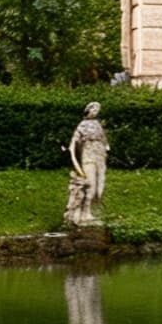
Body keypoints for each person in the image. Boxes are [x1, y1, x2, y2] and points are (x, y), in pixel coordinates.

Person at [65, 99, 110, 230]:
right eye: (94, 109)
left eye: (97, 110)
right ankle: (85, 212)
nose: (95, 112)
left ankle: (94, 209)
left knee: (100, 185)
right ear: (88, 111)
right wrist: (74, 159)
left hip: (100, 156)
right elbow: (73, 144)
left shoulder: (98, 125)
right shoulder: (82, 125)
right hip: (88, 156)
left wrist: (105, 147)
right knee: (90, 184)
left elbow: (104, 141)